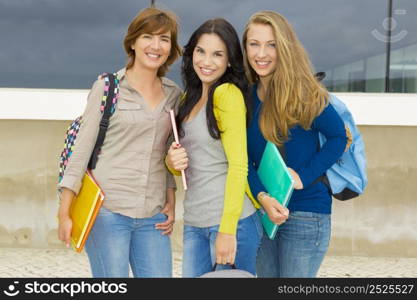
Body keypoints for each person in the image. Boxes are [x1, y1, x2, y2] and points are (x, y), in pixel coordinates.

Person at [57, 7, 182, 278]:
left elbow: (168, 151)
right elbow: (79, 154)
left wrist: (171, 199)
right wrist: (64, 213)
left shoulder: (174, 95)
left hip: (153, 216)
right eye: (148, 36)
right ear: (134, 42)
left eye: (164, 39)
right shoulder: (107, 87)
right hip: (108, 213)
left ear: (171, 48)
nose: (156, 46)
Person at [242, 11, 348, 277]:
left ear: (284, 47)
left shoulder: (304, 92)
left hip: (306, 214)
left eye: (271, 44)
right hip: (264, 214)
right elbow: (244, 158)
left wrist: (305, 175)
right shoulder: (246, 97)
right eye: (254, 44)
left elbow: (338, 138)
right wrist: (262, 198)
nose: (261, 54)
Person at [165, 18, 263, 277]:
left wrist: (227, 230)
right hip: (195, 221)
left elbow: (238, 165)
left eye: (217, 54)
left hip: (231, 223)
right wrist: (171, 162)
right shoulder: (190, 98)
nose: (206, 62)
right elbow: (192, 162)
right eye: (201, 51)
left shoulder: (227, 94)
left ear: (230, 60)